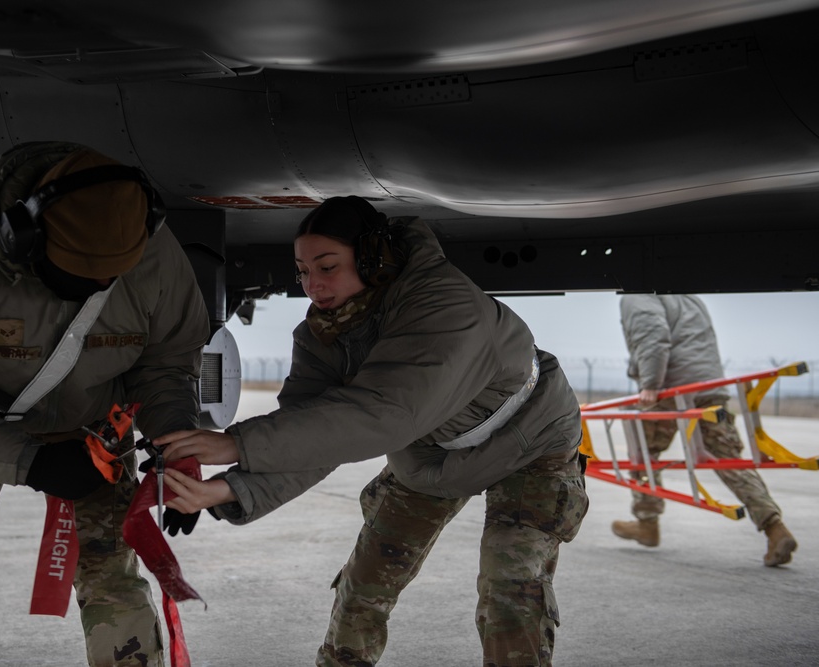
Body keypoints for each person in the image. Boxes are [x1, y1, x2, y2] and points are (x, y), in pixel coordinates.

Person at [151, 196, 589, 666]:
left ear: (373, 259)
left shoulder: (444, 304)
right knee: (364, 584)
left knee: (511, 590)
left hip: (531, 445)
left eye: (327, 267)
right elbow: (314, 434)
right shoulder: (323, 336)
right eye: (301, 271)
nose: (312, 285)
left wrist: (237, 442)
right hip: (429, 459)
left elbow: (381, 413)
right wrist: (223, 489)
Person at [0, 141, 210, 667]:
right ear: (24, 239)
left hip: (93, 434)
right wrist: (30, 461)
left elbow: (166, 362)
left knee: (114, 581)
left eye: (112, 278)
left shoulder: (152, 249)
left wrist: (178, 446)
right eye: (80, 278)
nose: (100, 290)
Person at [614, 294, 798, 567]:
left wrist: (650, 381)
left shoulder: (639, 293)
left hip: (671, 388)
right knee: (728, 459)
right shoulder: (688, 294)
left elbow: (652, 332)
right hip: (710, 387)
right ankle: (774, 527)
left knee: (642, 450)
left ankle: (647, 522)